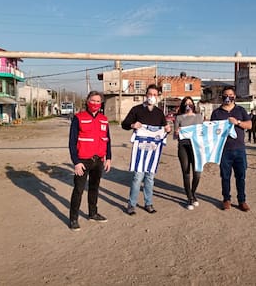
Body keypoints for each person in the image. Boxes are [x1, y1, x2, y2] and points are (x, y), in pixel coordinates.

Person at [121, 84, 171, 215]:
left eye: (155, 95)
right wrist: (132, 124)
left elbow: (164, 130)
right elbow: (124, 124)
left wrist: (167, 130)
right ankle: (131, 204)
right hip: (140, 150)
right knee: (138, 177)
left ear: (158, 97)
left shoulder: (159, 113)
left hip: (153, 151)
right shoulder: (136, 110)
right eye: (150, 94)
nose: (152, 97)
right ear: (146, 95)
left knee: (150, 177)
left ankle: (148, 203)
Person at [68, 91, 111, 231]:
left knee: (94, 188)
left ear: (101, 103)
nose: (95, 104)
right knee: (79, 190)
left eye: (98, 101)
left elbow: (107, 140)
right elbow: (72, 142)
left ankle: (93, 213)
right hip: (83, 161)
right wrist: (76, 161)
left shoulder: (104, 119)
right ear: (87, 101)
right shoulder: (78, 118)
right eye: (93, 100)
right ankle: (73, 219)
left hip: (98, 160)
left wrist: (108, 158)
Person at [210, 86, 252, 212]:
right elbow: (212, 130)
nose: (228, 97)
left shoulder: (240, 110)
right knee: (225, 176)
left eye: (230, 94)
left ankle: (242, 200)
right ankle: (226, 199)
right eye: (225, 94)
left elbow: (249, 125)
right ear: (222, 96)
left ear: (234, 96)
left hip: (239, 149)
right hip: (224, 150)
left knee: (241, 176)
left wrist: (238, 122)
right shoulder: (216, 113)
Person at [173, 96, 203, 210]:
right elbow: (175, 136)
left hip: (196, 147)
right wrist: (177, 132)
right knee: (186, 173)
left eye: (190, 103)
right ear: (183, 105)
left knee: (197, 173)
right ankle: (189, 198)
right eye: (186, 103)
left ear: (193, 105)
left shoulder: (199, 117)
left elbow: (202, 132)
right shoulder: (179, 118)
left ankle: (193, 192)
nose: (188, 105)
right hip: (183, 147)